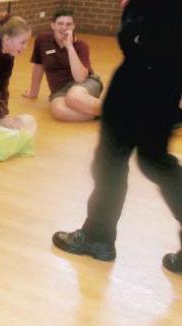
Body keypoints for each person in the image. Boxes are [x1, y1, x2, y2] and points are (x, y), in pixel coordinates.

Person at [52, 0, 182, 275]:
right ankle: (98, 236)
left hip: (140, 84)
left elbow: (134, 40)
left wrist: (133, 8)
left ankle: (97, 237)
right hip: (166, 85)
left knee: (111, 161)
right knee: (155, 161)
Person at [22, 9, 103, 121]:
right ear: (53, 25)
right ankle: (105, 115)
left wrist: (69, 47)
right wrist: (33, 92)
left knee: (74, 98)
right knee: (59, 111)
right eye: (60, 23)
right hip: (59, 90)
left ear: (73, 27)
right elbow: (38, 66)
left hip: (84, 83)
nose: (64, 28)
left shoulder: (81, 46)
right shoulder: (42, 40)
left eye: (68, 24)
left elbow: (80, 78)